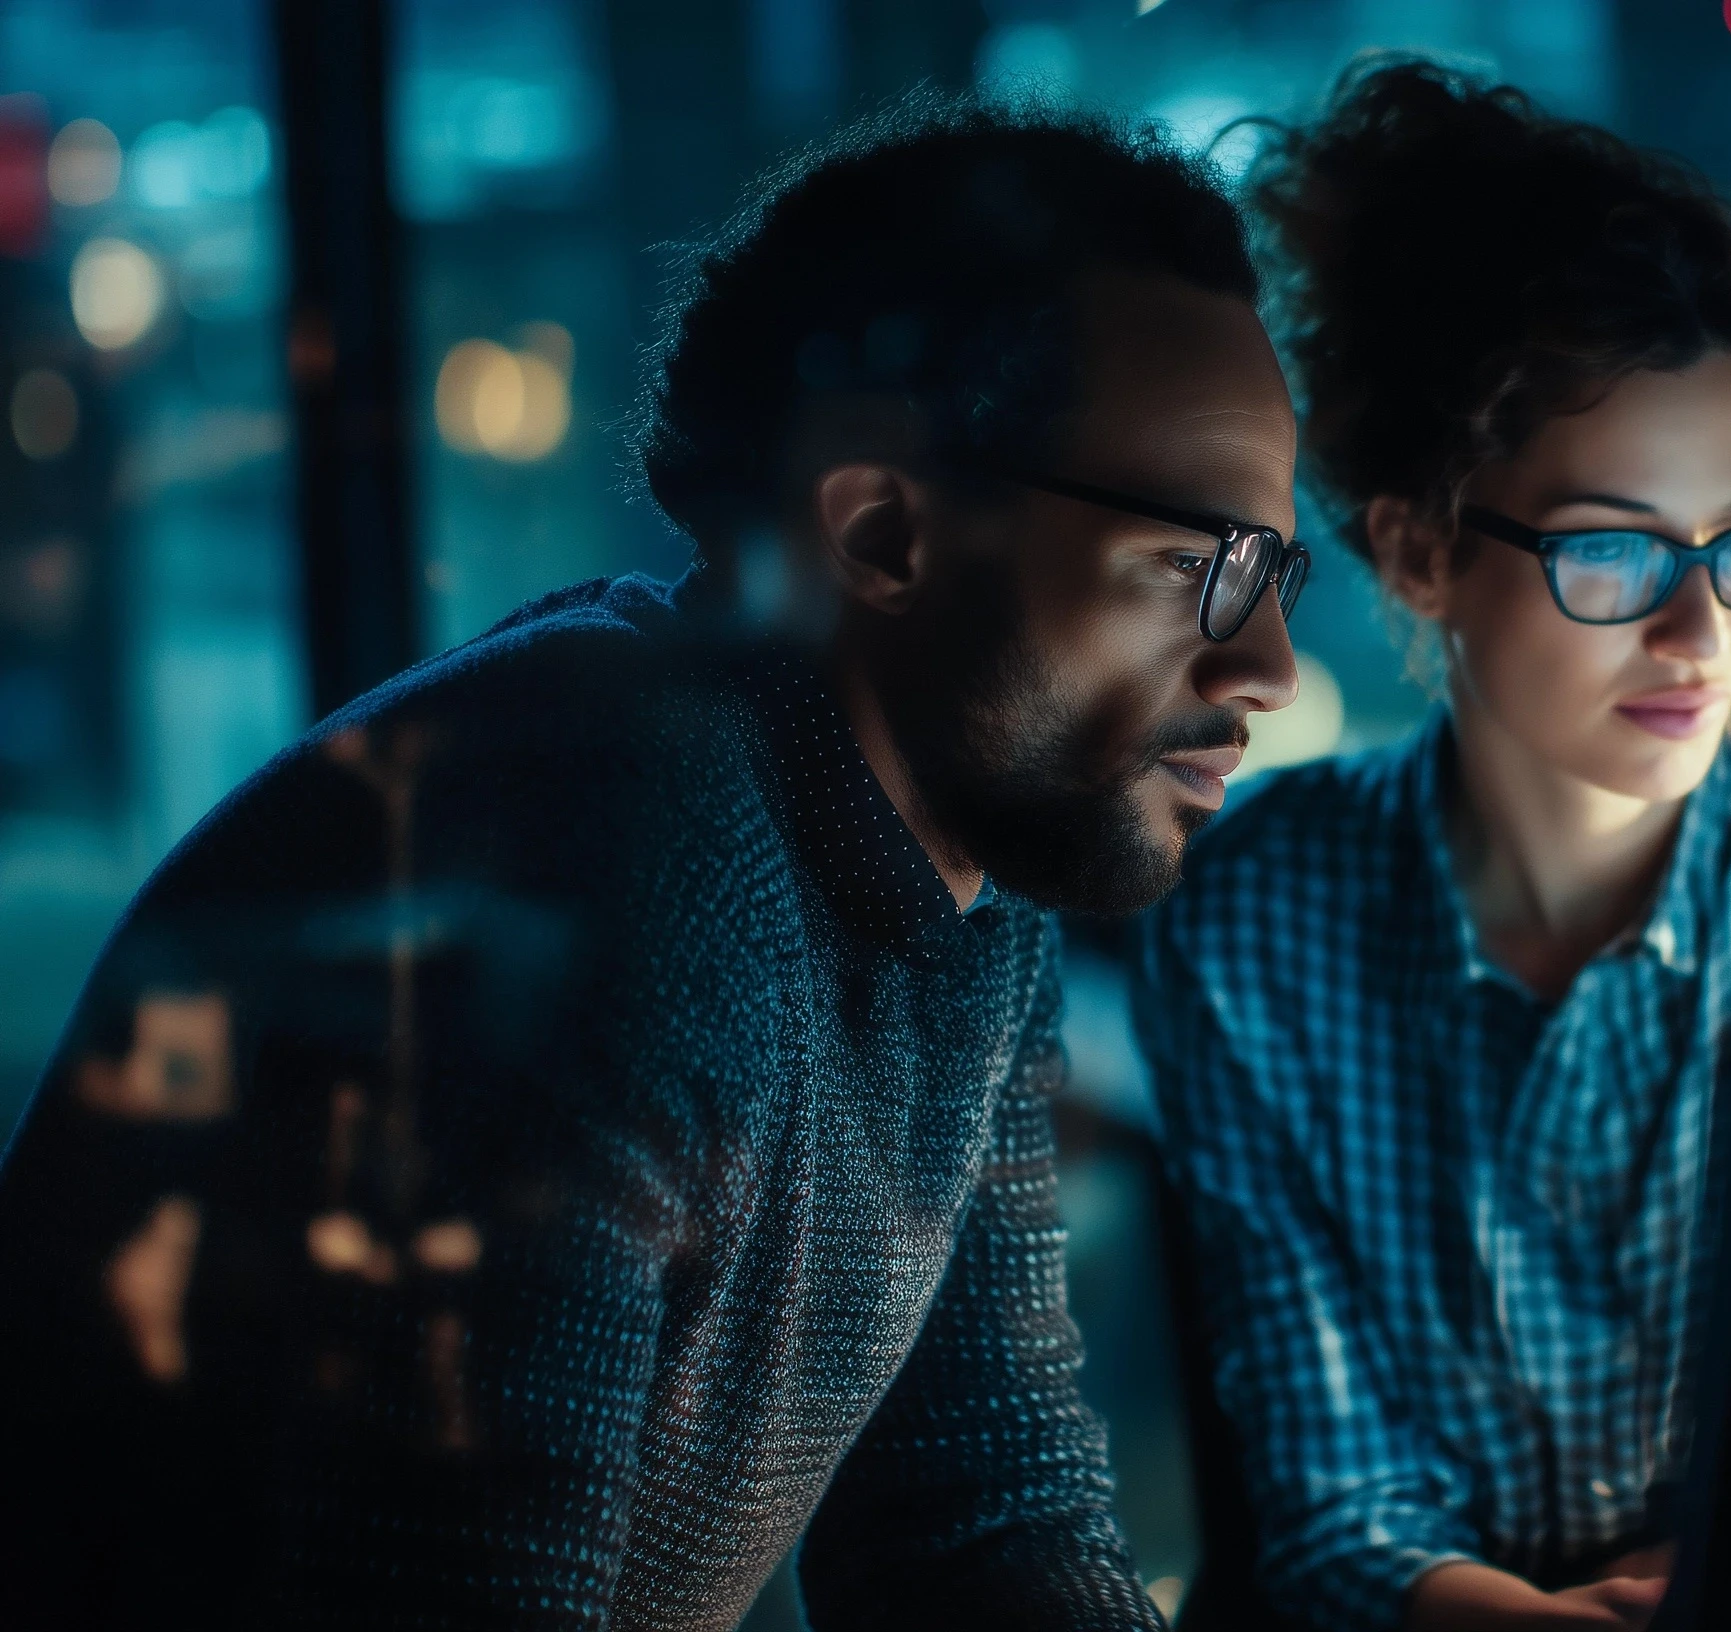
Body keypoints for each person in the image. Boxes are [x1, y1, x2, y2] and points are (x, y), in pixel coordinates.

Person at [0, 94, 1306, 1629]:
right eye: (1192, 566)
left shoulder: (965, 887)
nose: (1270, 665)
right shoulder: (605, 862)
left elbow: (980, 1515)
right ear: (885, 534)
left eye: (1277, 568)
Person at [1135, 59, 1731, 1632]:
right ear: (1422, 550)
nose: (1700, 627)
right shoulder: (1256, 914)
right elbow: (1331, 1515)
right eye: (1609, 548)